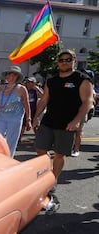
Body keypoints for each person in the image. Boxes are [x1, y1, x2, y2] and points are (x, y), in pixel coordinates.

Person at [32, 50, 94, 185]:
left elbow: (88, 101)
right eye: (61, 60)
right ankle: (48, 172)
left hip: (67, 124)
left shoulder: (82, 80)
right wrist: (35, 117)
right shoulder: (52, 80)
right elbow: (43, 101)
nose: (64, 62)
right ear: (58, 63)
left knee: (60, 154)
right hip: (48, 121)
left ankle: (53, 180)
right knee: (40, 148)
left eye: (68, 59)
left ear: (74, 61)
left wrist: (76, 121)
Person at [0, 66, 32, 158]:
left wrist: (28, 119)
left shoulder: (22, 89)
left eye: (11, 74)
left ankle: (9, 158)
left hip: (15, 118)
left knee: (11, 141)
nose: (9, 76)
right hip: (2, 117)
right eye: (8, 74)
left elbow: (26, 104)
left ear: (16, 76)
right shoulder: (1, 87)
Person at [71, 68, 96, 157]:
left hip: (82, 112)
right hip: (70, 111)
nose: (82, 75)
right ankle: (69, 147)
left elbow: (91, 100)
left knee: (78, 132)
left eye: (84, 74)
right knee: (69, 131)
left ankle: (76, 149)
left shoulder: (89, 86)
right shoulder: (75, 83)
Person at [19, 77, 44, 142]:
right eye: (28, 82)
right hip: (24, 109)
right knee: (23, 125)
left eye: (31, 82)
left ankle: (39, 138)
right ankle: (19, 139)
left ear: (34, 83)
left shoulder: (36, 90)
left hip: (33, 110)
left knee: (35, 125)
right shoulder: (24, 89)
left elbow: (43, 96)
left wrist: (38, 89)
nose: (29, 84)